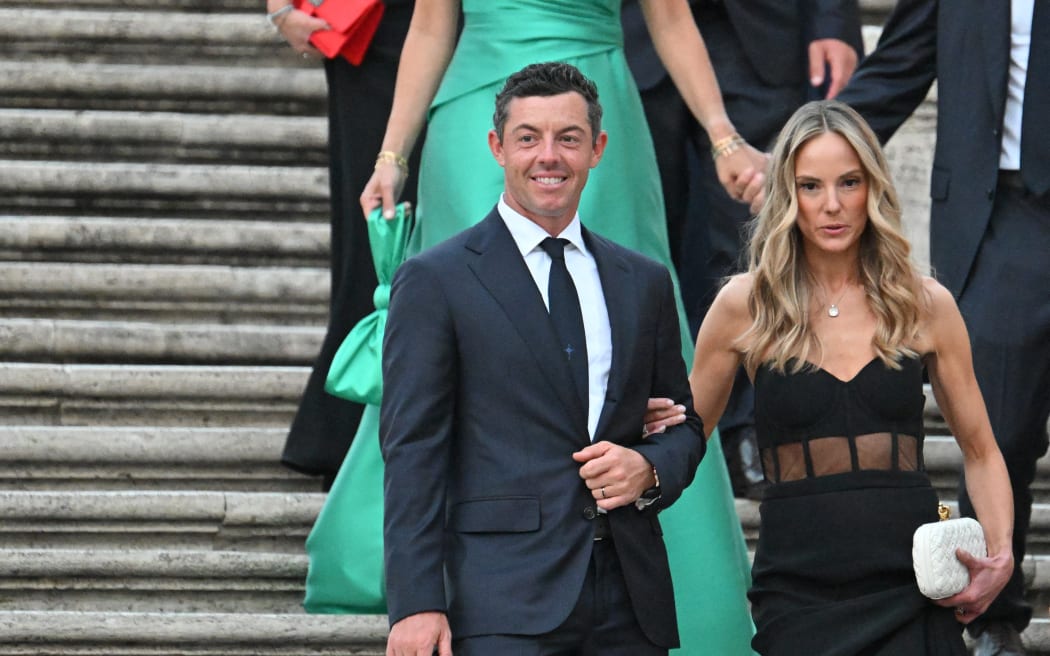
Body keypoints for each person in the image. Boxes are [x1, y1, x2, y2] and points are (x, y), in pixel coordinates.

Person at [361, 1, 763, 653]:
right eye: (525, 147)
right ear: (502, 148)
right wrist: (391, 154)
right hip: (475, 92)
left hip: (598, 81)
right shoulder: (440, 272)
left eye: (566, 147)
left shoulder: (637, 271)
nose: (547, 158)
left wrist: (722, 136)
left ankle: (674, 586)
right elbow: (432, 23)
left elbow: (669, 16)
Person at [689, 99, 1015, 655]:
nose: (832, 205)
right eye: (810, 186)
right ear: (788, 196)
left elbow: (979, 449)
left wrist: (1002, 553)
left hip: (911, 585)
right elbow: (685, 440)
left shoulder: (923, 303)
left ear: (874, 187)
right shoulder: (746, 304)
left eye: (849, 182)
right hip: (796, 588)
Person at [835, 2, 1050, 653]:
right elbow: (897, 66)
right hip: (1004, 211)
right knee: (1000, 422)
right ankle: (992, 616)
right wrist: (812, 147)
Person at [621, 0, 863, 500]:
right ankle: (637, 419)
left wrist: (832, 19)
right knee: (636, 238)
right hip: (628, 38)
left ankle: (751, 429)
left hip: (759, 36)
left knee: (755, 235)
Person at [264, 0, 421, 488]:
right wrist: (281, 6)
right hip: (380, 30)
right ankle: (351, 427)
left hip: (494, 30)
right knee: (378, 232)